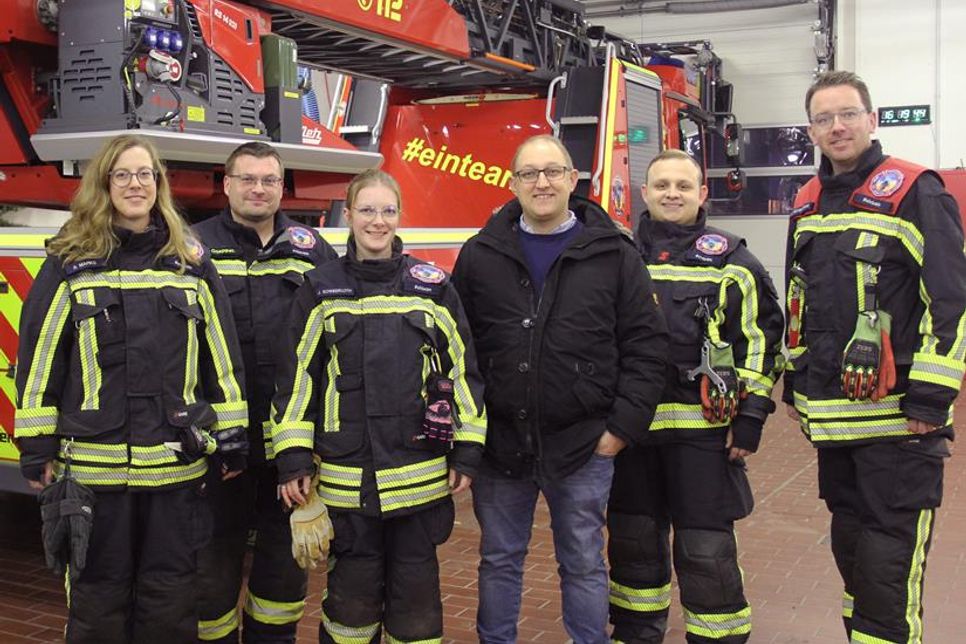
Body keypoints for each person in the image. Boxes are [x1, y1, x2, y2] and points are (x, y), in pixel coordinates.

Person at [14, 134, 247, 643]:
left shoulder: (190, 263)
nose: (135, 184)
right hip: (96, 474)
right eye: (122, 174)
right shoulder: (71, 261)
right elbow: (40, 359)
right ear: (104, 184)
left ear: (158, 184)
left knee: (171, 597)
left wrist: (232, 437)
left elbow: (222, 359)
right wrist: (36, 446)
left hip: (173, 472)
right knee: (98, 600)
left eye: (145, 174)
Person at [451, 134, 668, 644]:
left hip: (584, 443)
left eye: (553, 172)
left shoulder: (614, 254)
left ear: (573, 180)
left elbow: (646, 344)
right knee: (499, 559)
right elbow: (457, 346)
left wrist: (620, 429)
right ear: (513, 184)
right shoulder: (480, 254)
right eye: (529, 173)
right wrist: (469, 428)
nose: (542, 183)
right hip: (500, 444)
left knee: (584, 561)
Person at [785, 70, 966, 643]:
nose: (837, 127)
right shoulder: (807, 200)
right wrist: (796, 387)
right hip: (836, 424)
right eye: (823, 118)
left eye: (847, 114)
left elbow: (951, 300)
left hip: (899, 426)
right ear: (811, 131)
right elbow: (799, 301)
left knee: (887, 571)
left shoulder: (917, 191)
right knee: (854, 556)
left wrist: (931, 399)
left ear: (872, 119)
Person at [271, 168, 487, 643]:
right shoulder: (319, 288)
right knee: (350, 608)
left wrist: (468, 450)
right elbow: (297, 378)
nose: (377, 221)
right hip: (349, 482)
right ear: (348, 215)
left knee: (417, 611)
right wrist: (293, 459)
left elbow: (463, 372)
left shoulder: (432, 286)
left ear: (400, 215)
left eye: (387, 210)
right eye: (367, 210)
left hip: (419, 480)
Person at [607, 150, 784, 644]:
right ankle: (636, 634)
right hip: (631, 437)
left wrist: (750, 418)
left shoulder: (733, 261)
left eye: (683, 185)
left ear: (702, 193)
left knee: (706, 552)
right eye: (662, 185)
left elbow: (761, 344)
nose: (672, 194)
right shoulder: (617, 257)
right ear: (645, 192)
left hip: (703, 437)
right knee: (633, 547)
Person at [193, 142, 338, 642]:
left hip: (288, 446)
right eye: (248, 179)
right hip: (219, 444)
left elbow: (333, 342)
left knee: (282, 570)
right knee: (211, 567)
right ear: (227, 184)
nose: (258, 189)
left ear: (281, 187)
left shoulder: (311, 249)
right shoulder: (192, 247)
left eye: (269, 180)